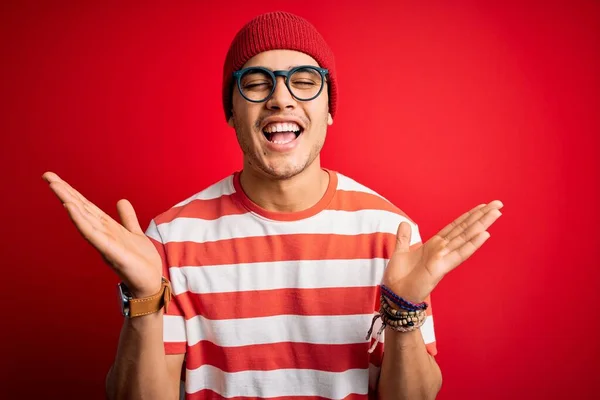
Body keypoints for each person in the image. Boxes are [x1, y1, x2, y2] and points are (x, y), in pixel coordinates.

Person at [42, 11, 503, 400]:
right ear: (230, 112)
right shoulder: (170, 237)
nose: (281, 98)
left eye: (304, 81)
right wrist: (144, 299)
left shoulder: (391, 232)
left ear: (328, 109)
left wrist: (404, 312)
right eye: (256, 84)